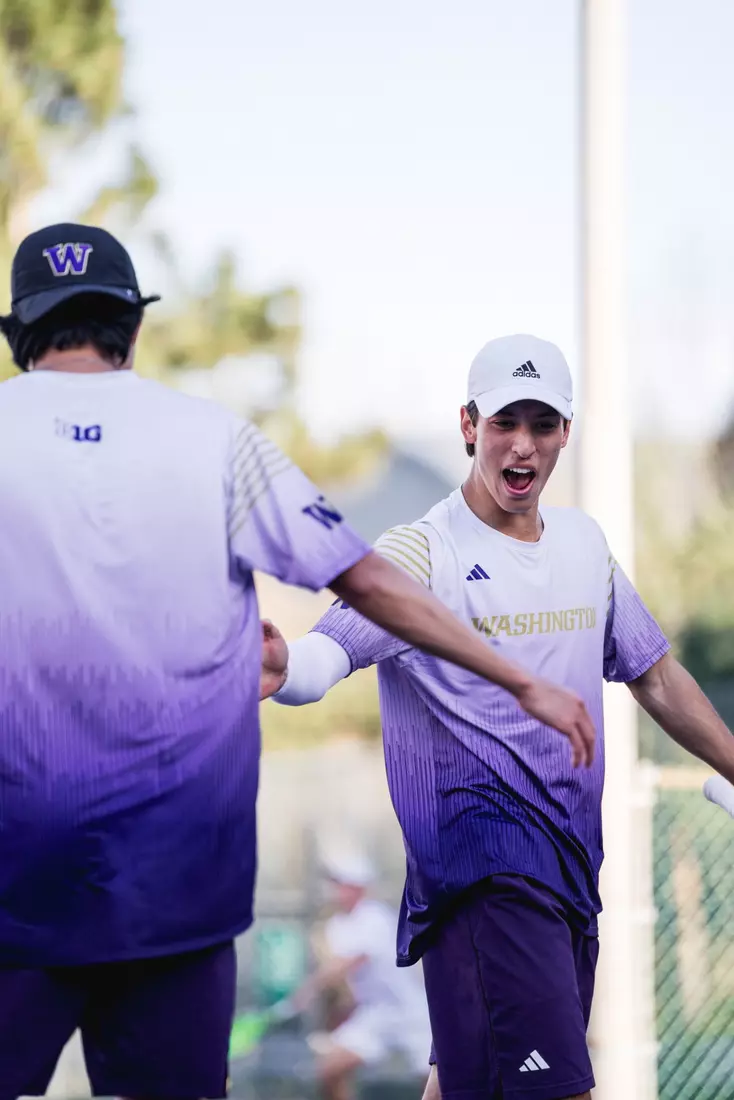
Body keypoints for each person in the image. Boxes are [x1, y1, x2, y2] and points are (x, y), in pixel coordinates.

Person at [0, 230, 593, 1100]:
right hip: (179, 891)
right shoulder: (215, 442)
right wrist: (521, 678)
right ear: (129, 327)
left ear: (21, 336)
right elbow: (366, 579)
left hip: (17, 878)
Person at [261, 334, 734, 1100]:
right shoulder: (423, 552)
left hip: (569, 876)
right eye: (505, 421)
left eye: (542, 424)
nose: (523, 444)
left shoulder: (585, 546)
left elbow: (656, 674)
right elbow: (329, 651)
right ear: (468, 425)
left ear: (565, 433)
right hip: (485, 877)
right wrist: (289, 669)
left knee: (466, 1086)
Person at [293, 851, 431, 1100]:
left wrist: (308, 990)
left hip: (411, 1012)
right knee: (329, 1069)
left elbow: (349, 964)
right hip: (374, 1013)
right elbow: (345, 983)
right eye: (334, 883)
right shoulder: (336, 927)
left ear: (357, 887)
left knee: (435, 1084)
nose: (335, 890)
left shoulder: (375, 917)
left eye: (341, 883)